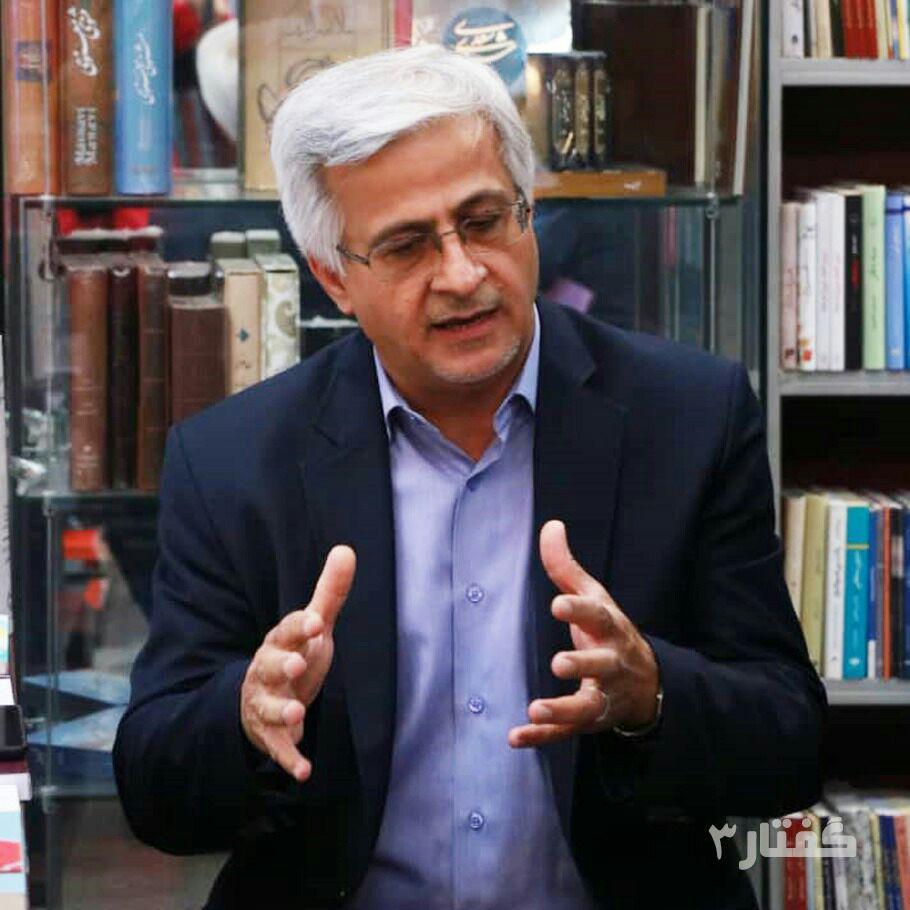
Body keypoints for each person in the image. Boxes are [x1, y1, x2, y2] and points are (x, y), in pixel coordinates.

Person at [113, 44, 826, 910]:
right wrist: (245, 714)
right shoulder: (232, 462)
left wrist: (653, 694)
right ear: (334, 277)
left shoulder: (689, 417)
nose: (461, 275)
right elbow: (153, 789)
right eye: (407, 245)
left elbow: (791, 745)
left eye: (484, 221)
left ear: (529, 213)